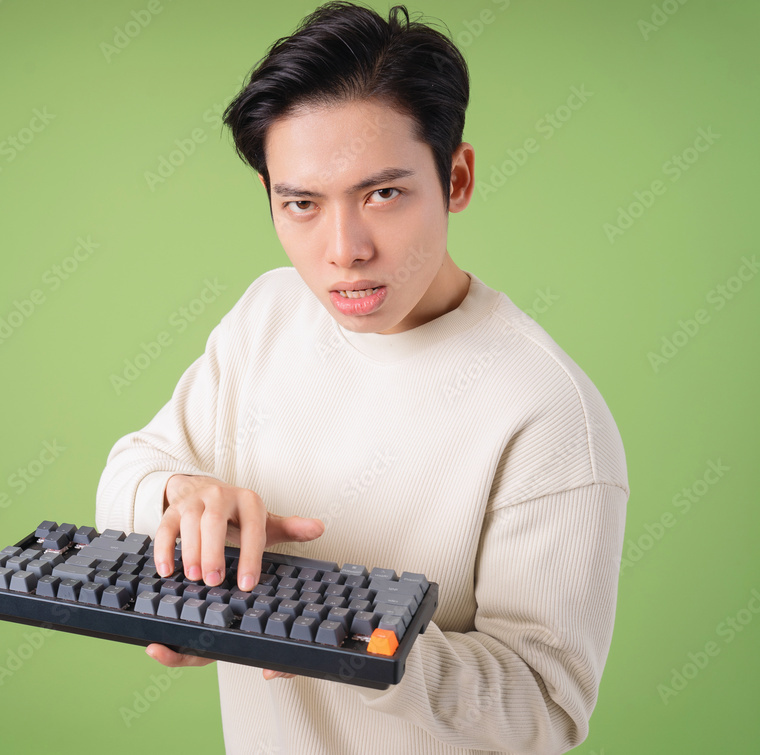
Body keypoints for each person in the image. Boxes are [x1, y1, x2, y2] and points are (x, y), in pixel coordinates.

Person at [95, 3, 629, 753]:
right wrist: (182, 500)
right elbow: (129, 475)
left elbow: (544, 708)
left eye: (382, 194)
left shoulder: (546, 409)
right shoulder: (267, 313)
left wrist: (338, 634)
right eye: (303, 204)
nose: (343, 250)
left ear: (458, 177)